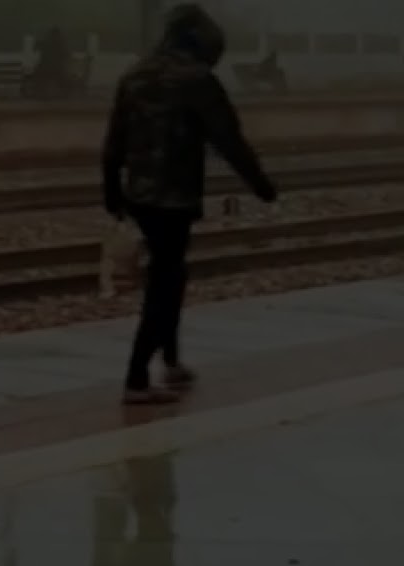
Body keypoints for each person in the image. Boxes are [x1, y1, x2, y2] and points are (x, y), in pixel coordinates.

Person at [102, 3, 276, 405]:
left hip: (139, 195)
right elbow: (229, 141)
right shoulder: (198, 81)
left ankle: (172, 361)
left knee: (171, 277)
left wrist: (111, 193)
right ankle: (137, 378)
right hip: (174, 198)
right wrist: (261, 184)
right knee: (165, 284)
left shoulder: (135, 76)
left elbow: (114, 142)